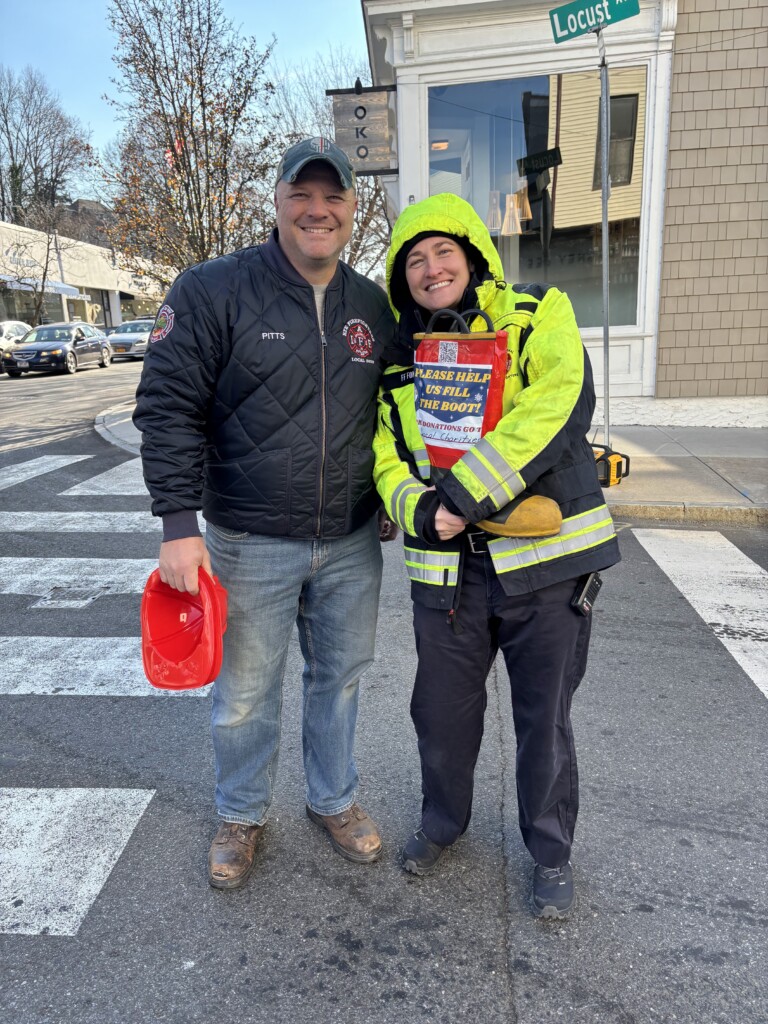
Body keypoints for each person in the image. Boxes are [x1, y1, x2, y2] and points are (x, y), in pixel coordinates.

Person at [134, 137, 399, 890]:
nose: (318, 209)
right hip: (249, 539)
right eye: (302, 194)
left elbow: (387, 410)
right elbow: (166, 408)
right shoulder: (212, 290)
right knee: (245, 692)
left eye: (333, 196)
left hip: (350, 540)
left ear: (353, 209)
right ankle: (242, 813)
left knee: (340, 677)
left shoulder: (372, 305)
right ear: (277, 202)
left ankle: (333, 800)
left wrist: (385, 493)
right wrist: (178, 525)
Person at [373, 193, 621, 918]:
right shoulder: (399, 363)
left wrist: (463, 492)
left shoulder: (537, 311)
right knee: (441, 715)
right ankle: (443, 825)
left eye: (444, 251)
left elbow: (560, 400)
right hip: (447, 575)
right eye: (414, 260)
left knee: (545, 720)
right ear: (401, 281)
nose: (430, 268)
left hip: (546, 565)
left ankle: (549, 853)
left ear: (475, 254)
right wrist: (417, 507)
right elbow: (383, 453)